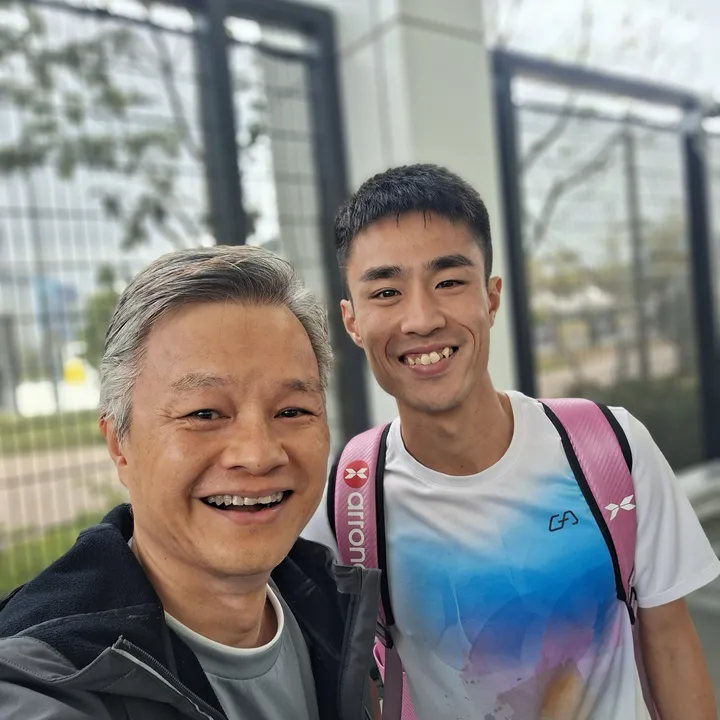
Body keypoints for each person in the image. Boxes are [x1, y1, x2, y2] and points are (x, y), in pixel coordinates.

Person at [303, 164, 720, 719]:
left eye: (449, 282)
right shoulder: (343, 501)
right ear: (352, 322)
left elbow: (669, 642)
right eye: (386, 292)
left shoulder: (609, 449)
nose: (421, 319)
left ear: (492, 297)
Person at [0, 246, 381, 720]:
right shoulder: (42, 683)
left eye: (291, 411)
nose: (258, 454)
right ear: (119, 444)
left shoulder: (336, 604)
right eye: (204, 413)